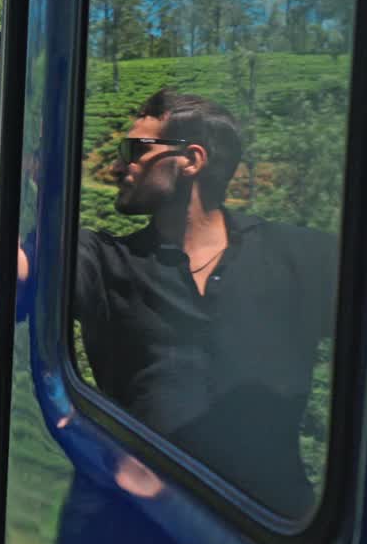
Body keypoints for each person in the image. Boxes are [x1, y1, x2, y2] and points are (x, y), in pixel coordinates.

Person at [68, 88, 335, 520]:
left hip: (276, 530)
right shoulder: (105, 261)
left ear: (191, 160)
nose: (118, 167)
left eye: (134, 150)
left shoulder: (301, 257)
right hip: (145, 525)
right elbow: (18, 263)